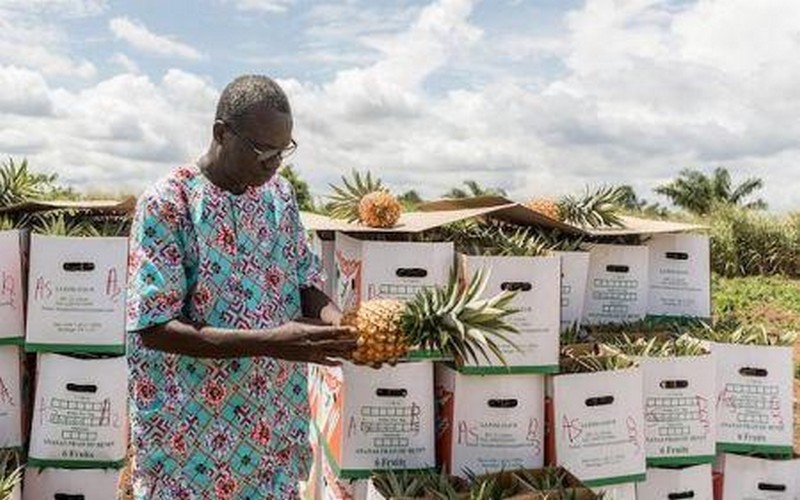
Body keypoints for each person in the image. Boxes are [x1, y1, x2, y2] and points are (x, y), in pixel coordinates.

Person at [126, 74, 356, 498]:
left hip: (270, 430)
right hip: (188, 442)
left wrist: (338, 322)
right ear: (221, 133)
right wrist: (271, 342)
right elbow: (155, 327)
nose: (274, 163)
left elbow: (304, 279)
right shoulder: (168, 202)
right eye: (263, 150)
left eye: (283, 150)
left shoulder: (279, 196)